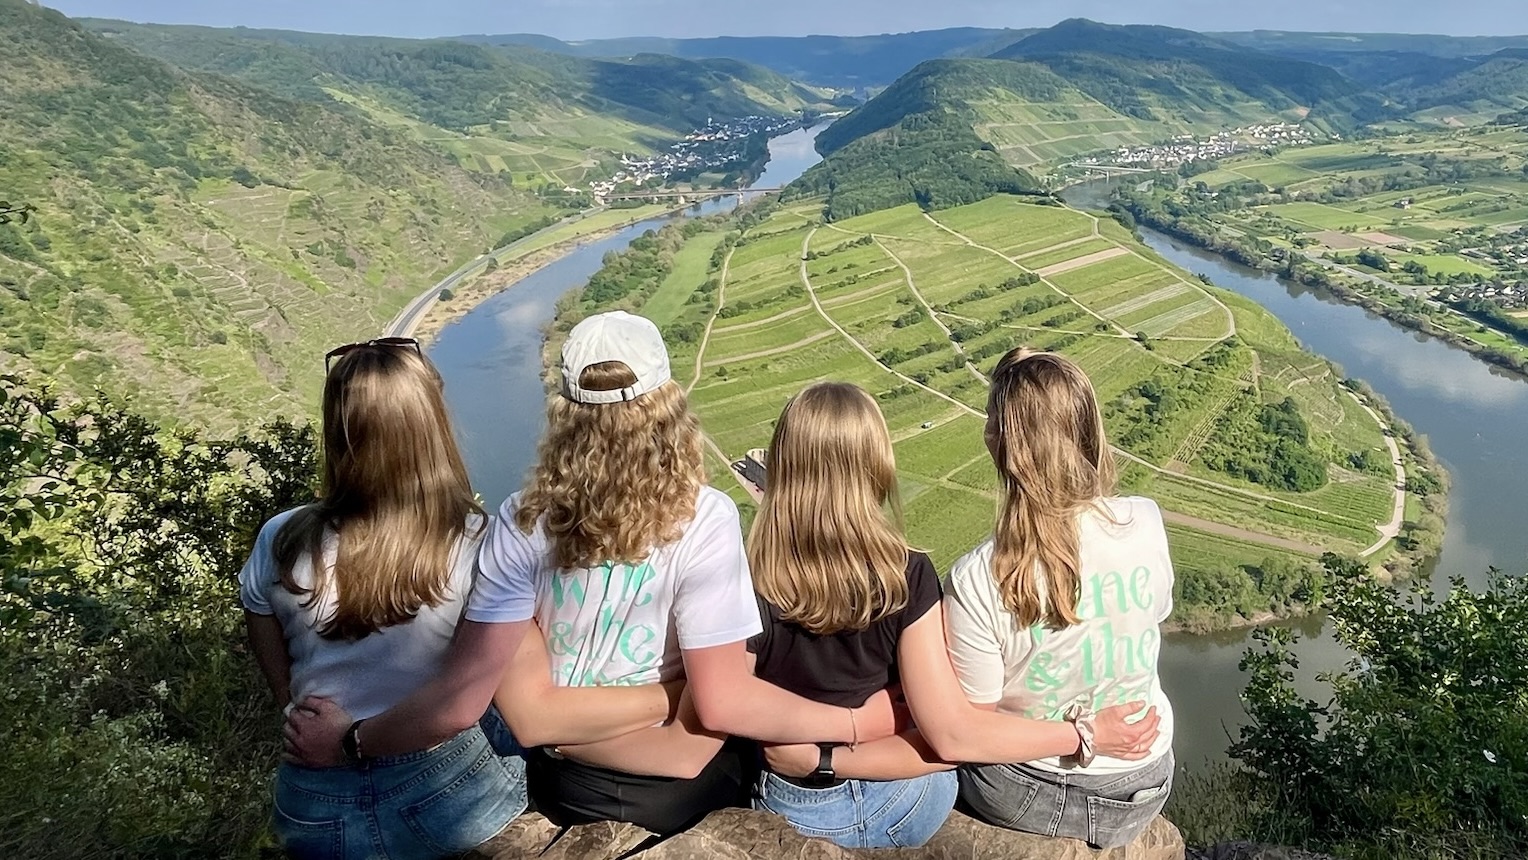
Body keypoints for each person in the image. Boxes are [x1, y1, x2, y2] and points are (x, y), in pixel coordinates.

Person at [284, 312, 901, 835]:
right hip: (682, 786)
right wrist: (676, 695)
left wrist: (563, 733)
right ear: (669, 407)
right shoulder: (706, 519)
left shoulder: (520, 522)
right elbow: (703, 728)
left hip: (565, 782)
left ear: (564, 413)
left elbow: (531, 719)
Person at [747, 382, 1161, 850]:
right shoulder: (908, 573)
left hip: (793, 802)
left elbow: (728, 702)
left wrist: (818, 759)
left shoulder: (748, 576)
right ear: (877, 464)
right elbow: (945, 741)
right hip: (909, 802)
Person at [239, 337, 524, 860]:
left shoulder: (280, 538)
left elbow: (267, 640)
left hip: (314, 797)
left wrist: (301, 713)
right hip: (445, 785)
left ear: (337, 431)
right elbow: (489, 683)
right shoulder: (478, 540)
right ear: (431, 426)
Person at [945, 348, 1177, 849]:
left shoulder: (977, 577)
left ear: (996, 443)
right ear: (1091, 429)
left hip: (1027, 789)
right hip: (1145, 780)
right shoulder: (1145, 520)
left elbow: (972, 729)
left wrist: (1079, 735)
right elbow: (1154, 614)